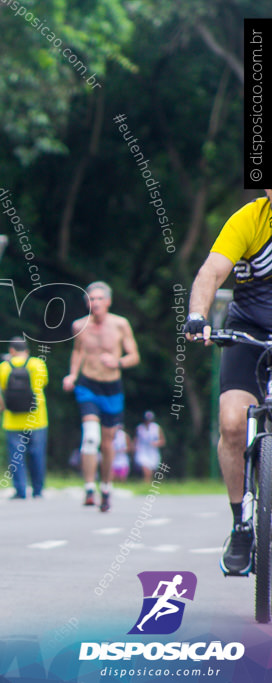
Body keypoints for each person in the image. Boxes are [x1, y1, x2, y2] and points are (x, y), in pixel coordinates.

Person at [184, 188, 272, 575]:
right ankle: (241, 525)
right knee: (234, 424)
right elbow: (211, 272)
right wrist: (198, 316)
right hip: (249, 332)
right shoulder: (250, 219)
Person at [62, 281, 140, 513]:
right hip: (87, 385)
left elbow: (134, 356)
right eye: (90, 299)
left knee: (108, 443)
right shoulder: (79, 326)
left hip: (112, 388)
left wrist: (117, 362)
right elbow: (77, 352)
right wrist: (72, 375)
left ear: (108, 301)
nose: (94, 303)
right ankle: (88, 489)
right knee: (91, 437)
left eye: (98, 299)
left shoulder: (120, 324)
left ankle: (105, 487)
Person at [0, 337, 48, 499]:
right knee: (37, 454)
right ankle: (38, 490)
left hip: (12, 419)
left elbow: (3, 386)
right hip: (36, 418)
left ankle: (20, 490)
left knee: (16, 456)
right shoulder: (37, 364)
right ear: (27, 350)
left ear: (11, 351)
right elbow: (43, 383)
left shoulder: (4, 366)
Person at [134, 410, 165, 480]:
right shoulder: (140, 428)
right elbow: (136, 439)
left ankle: (148, 482)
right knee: (145, 468)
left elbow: (163, 441)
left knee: (151, 469)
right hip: (142, 451)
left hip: (153, 451)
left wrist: (156, 443)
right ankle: (146, 481)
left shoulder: (157, 428)